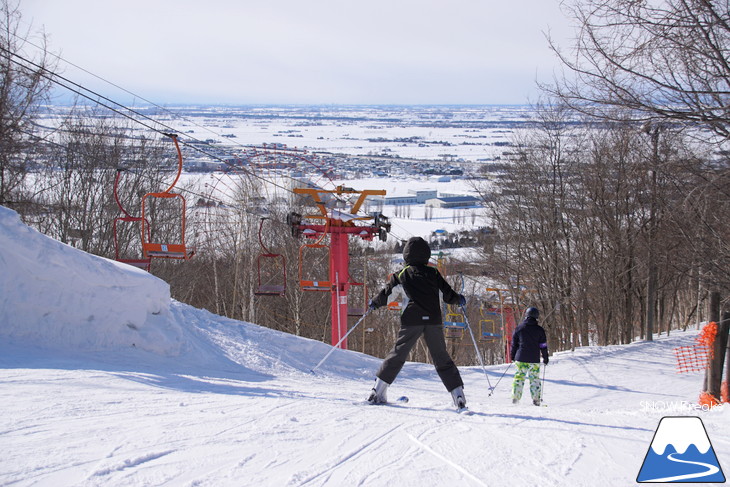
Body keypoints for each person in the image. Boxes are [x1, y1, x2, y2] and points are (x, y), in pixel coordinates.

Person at [366, 236, 468, 410]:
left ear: (406, 255)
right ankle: (458, 396)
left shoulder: (402, 274)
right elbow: (447, 294)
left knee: (398, 354)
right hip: (433, 320)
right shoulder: (433, 273)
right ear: (426, 255)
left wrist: (375, 303)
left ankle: (378, 391)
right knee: (441, 357)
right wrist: (459, 300)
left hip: (411, 320)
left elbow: (387, 294)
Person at [510, 306, 549, 406]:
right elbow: (543, 345)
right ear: (536, 317)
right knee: (534, 379)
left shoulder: (519, 328)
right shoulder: (539, 330)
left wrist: (512, 356)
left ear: (526, 315)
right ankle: (536, 399)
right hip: (534, 359)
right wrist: (545, 357)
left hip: (520, 358)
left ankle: (515, 398)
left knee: (519, 378)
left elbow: (514, 344)